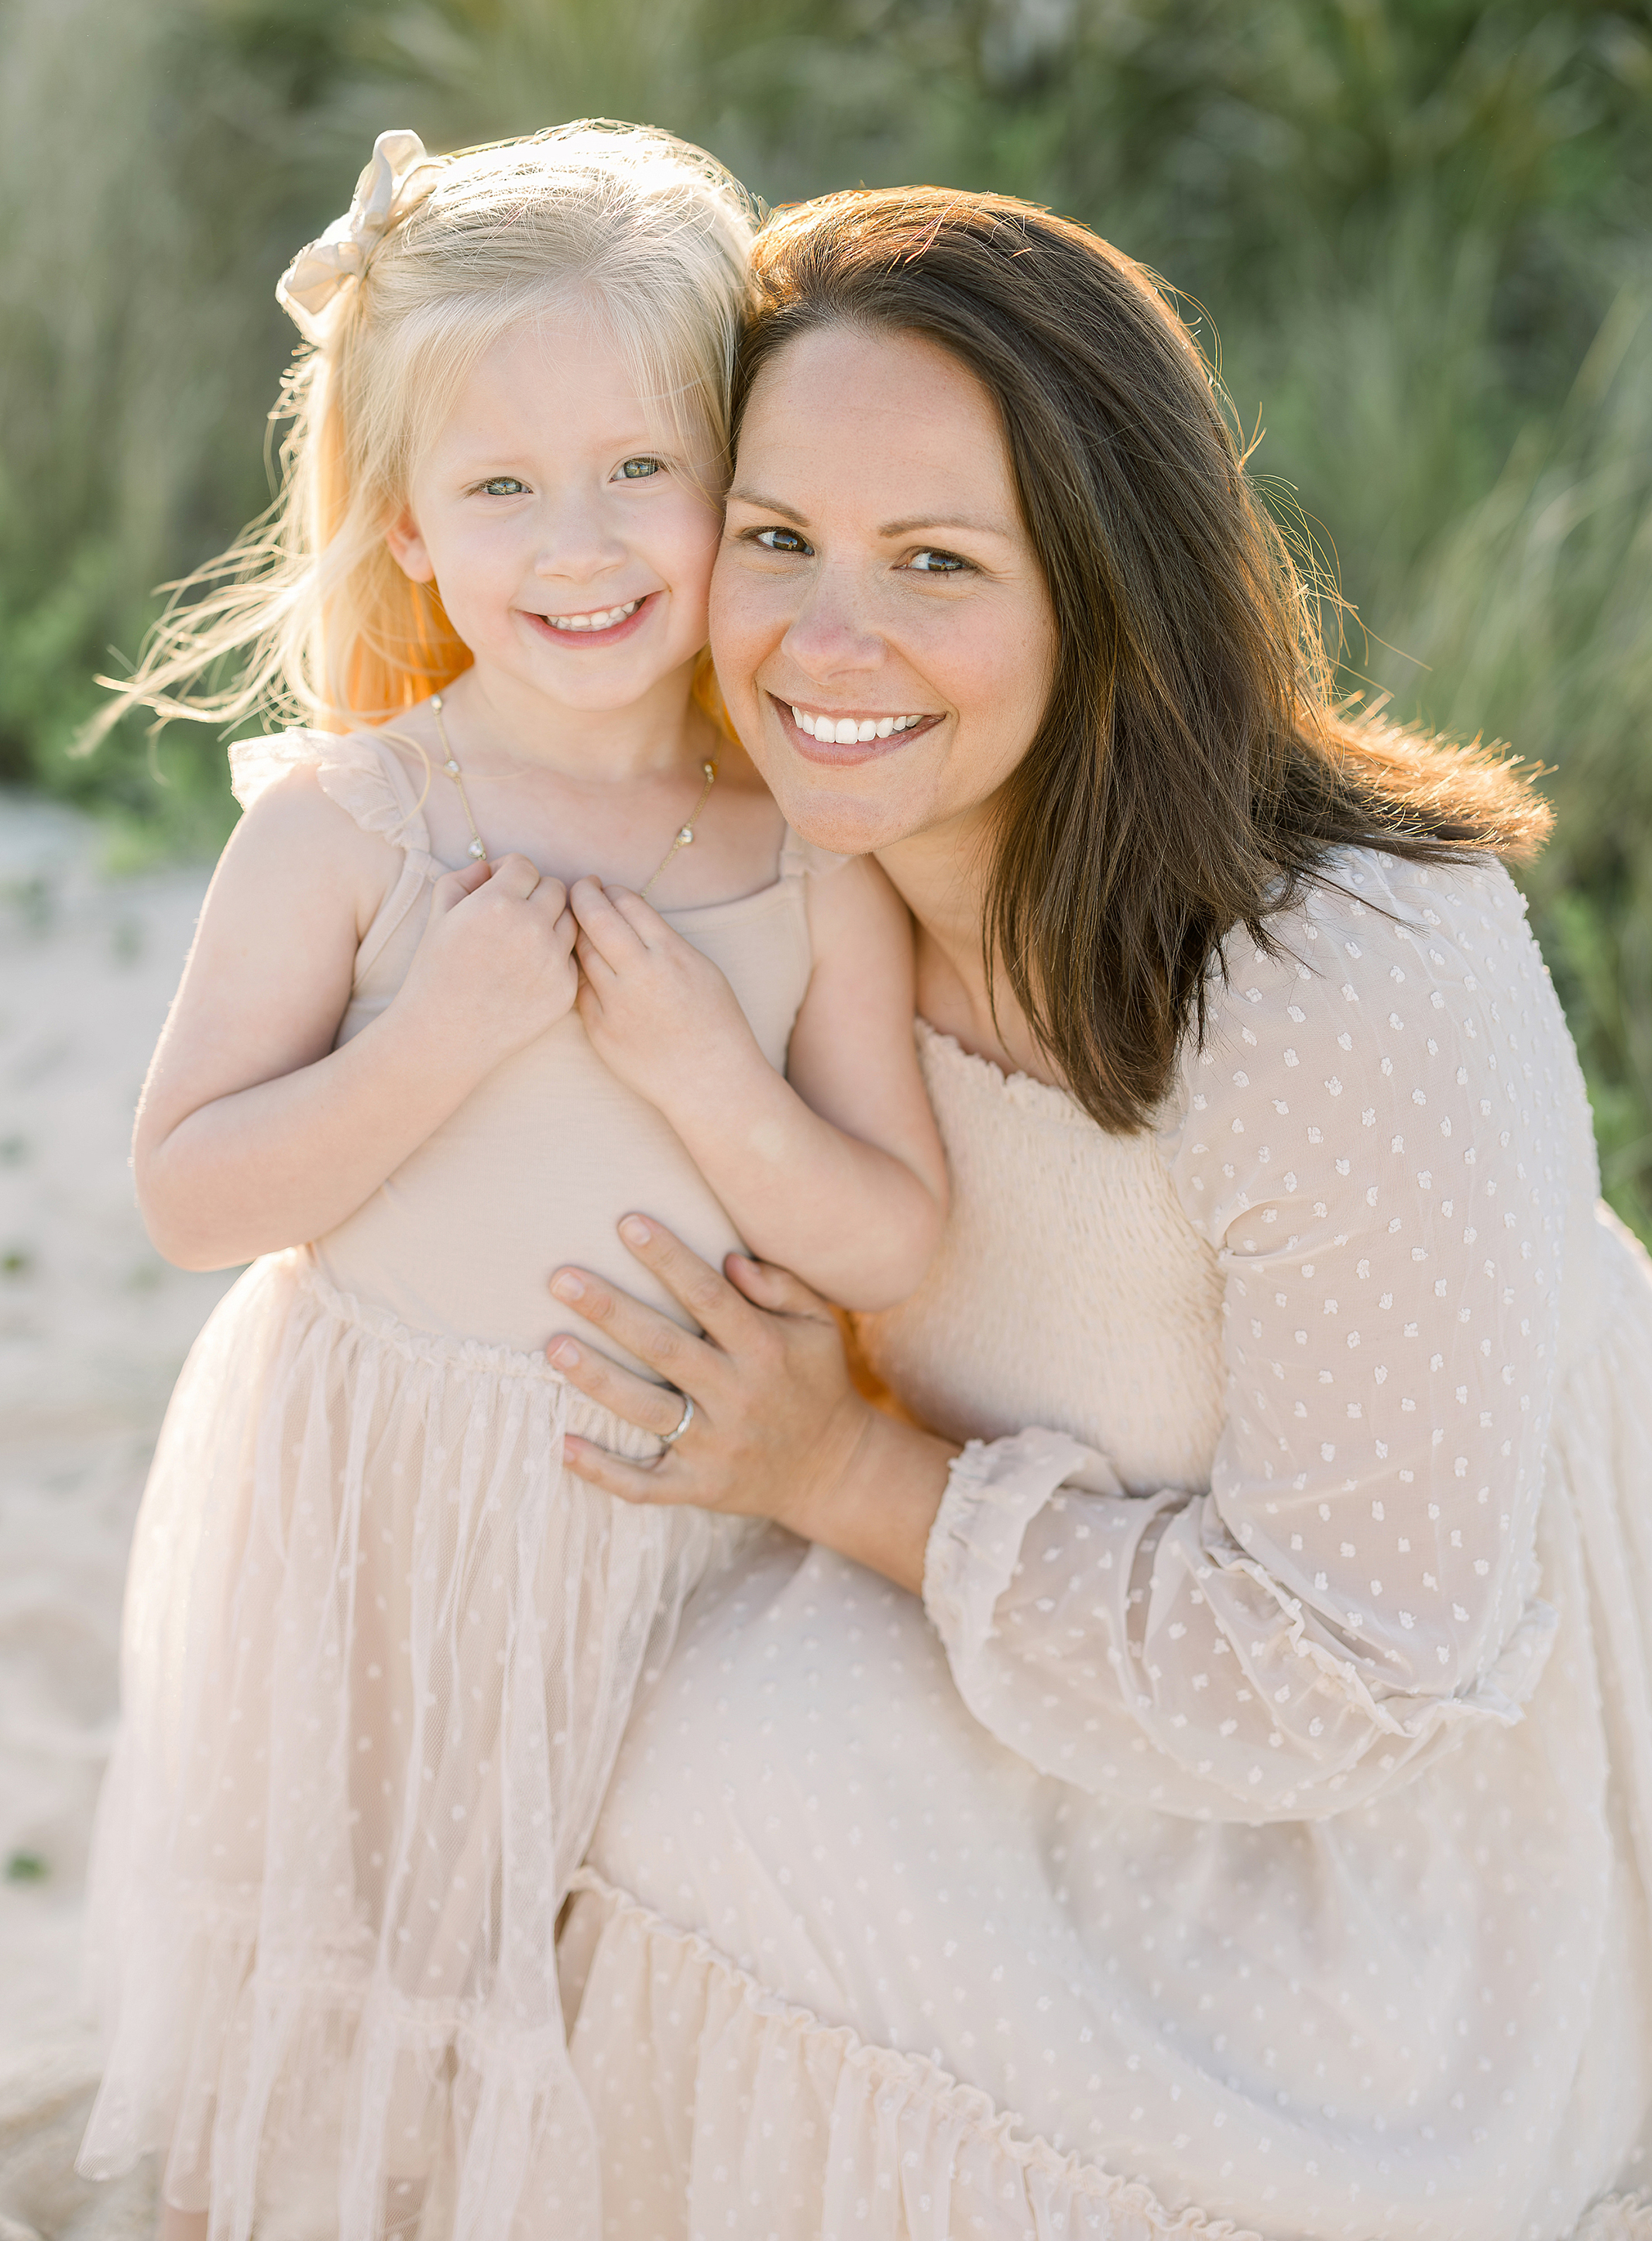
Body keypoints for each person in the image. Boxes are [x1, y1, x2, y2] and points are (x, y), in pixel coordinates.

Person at [545, 187, 1652, 2241]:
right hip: (993, 1620)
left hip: (1375, 1820)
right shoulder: (786, 866)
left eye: (936, 563)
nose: (826, 640)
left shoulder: (1352, 988)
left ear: (1105, 594)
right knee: (628, 1769)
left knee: (739, 1806)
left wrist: (840, 1469)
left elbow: (1351, 1672)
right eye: (777, 537)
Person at [74, 128, 947, 2241]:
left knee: (594, 1980)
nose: (581, 542)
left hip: (669, 1532)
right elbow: (194, 1192)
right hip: (378, 1514)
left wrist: (703, 1078)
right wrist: (438, 1038)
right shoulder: (359, 826)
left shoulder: (805, 848)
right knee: (352, 1976)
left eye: (643, 469)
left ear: (739, 482)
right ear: (401, 526)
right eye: (500, 487)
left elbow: (892, 1231)